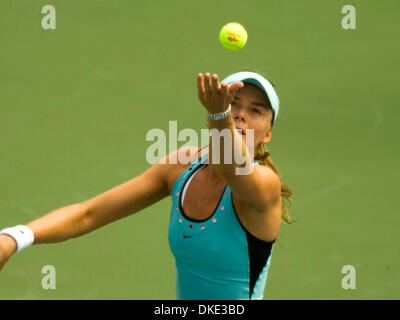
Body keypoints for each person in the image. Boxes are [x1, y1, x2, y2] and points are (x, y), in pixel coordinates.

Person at [0, 71, 292, 300]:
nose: (240, 114)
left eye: (256, 111)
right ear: (208, 115)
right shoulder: (182, 166)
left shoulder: (264, 184)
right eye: (232, 105)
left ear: (267, 133)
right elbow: (90, 213)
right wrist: (14, 238)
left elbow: (234, 169)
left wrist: (220, 116)